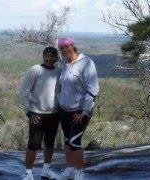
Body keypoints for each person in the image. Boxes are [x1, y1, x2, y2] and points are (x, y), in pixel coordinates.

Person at [56, 37, 99, 180]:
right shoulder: (65, 63)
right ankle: (69, 170)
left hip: (79, 111)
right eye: (61, 48)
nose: (64, 50)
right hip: (64, 110)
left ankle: (79, 172)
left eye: (66, 46)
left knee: (75, 142)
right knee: (68, 141)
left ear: (73, 45)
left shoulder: (86, 63)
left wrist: (85, 111)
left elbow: (92, 89)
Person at [19, 46, 61, 180]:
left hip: (54, 114)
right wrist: (28, 112)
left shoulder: (59, 71)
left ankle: (46, 170)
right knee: (33, 145)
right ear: (43, 56)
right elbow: (24, 91)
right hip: (37, 114)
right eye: (46, 56)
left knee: (49, 144)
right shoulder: (35, 70)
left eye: (52, 56)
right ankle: (29, 173)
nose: (49, 58)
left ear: (56, 57)